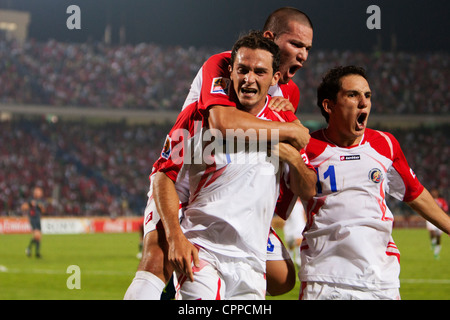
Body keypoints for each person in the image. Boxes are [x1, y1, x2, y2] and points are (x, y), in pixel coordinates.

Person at [125, 7, 314, 299]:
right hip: (185, 173)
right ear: (270, 37)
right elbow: (222, 122)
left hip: (229, 195)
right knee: (159, 254)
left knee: (283, 278)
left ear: (273, 77)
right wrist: (291, 130)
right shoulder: (223, 62)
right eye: (296, 44)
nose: (302, 54)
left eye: (307, 48)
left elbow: (282, 157)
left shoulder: (290, 93)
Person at [299, 66, 450, 300]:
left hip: (381, 280)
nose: (363, 102)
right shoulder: (306, 147)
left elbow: (414, 193)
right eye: (353, 95)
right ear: (329, 106)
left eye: (367, 95)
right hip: (326, 278)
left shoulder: (385, 144)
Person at [283, 199, 306, 267]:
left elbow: (304, 215)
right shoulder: (288, 204)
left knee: (299, 242)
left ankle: (298, 260)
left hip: (299, 226)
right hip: (289, 227)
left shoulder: (301, 205)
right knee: (290, 245)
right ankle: (290, 260)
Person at [23, 187, 45, 258]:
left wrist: (41, 207)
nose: (39, 194)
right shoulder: (30, 199)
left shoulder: (40, 201)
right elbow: (24, 207)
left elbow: (43, 211)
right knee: (37, 235)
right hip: (33, 219)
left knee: (38, 237)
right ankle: (33, 251)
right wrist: (29, 205)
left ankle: (35, 252)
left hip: (38, 219)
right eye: (38, 192)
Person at [426, 188, 448, 259]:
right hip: (430, 219)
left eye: (435, 192)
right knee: (432, 232)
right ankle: (433, 241)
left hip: (439, 219)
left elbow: (446, 208)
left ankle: (436, 253)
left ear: (437, 193)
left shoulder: (441, 201)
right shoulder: (429, 199)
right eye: (433, 192)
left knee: (438, 237)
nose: (434, 193)